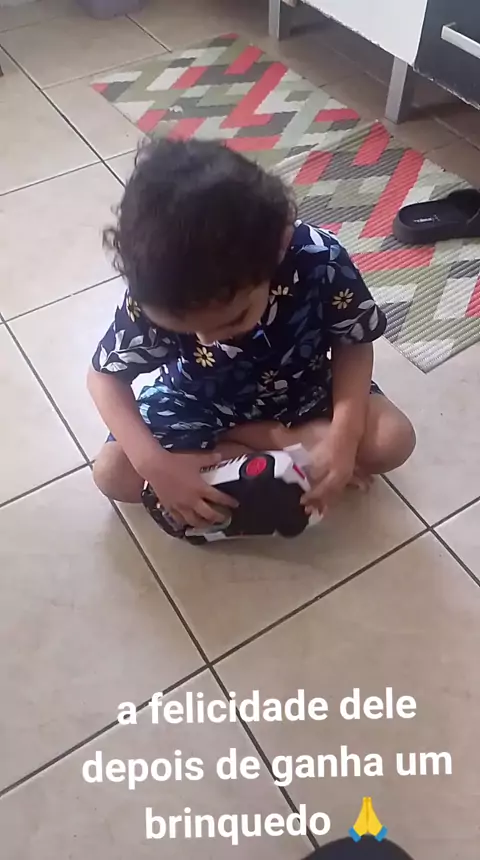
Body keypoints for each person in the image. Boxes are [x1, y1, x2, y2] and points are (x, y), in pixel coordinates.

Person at [88, 138, 415, 529]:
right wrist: (154, 465)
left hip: (302, 388)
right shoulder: (158, 286)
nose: (206, 340)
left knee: (392, 441)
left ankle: (265, 447)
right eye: (186, 330)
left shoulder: (319, 258)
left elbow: (354, 341)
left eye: (231, 320)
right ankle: (271, 445)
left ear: (278, 247)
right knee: (113, 475)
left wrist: (345, 435)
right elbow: (104, 377)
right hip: (196, 400)